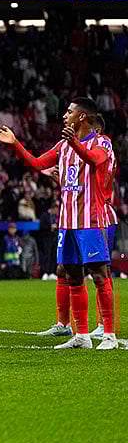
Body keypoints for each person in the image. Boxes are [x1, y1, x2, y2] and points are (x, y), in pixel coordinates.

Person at [0, 97, 118, 350]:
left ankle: (109, 336)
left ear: (82, 117)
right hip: (67, 221)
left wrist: (75, 143)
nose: (64, 116)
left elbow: (95, 160)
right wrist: (16, 144)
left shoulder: (102, 142)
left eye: (69, 112)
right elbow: (37, 163)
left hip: (91, 220)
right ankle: (82, 335)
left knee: (99, 275)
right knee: (72, 275)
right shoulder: (63, 146)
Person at [91, 115, 119, 340]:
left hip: (103, 214)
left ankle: (105, 323)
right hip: (96, 212)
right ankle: (102, 322)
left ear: (97, 130)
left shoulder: (103, 144)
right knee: (98, 272)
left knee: (102, 272)